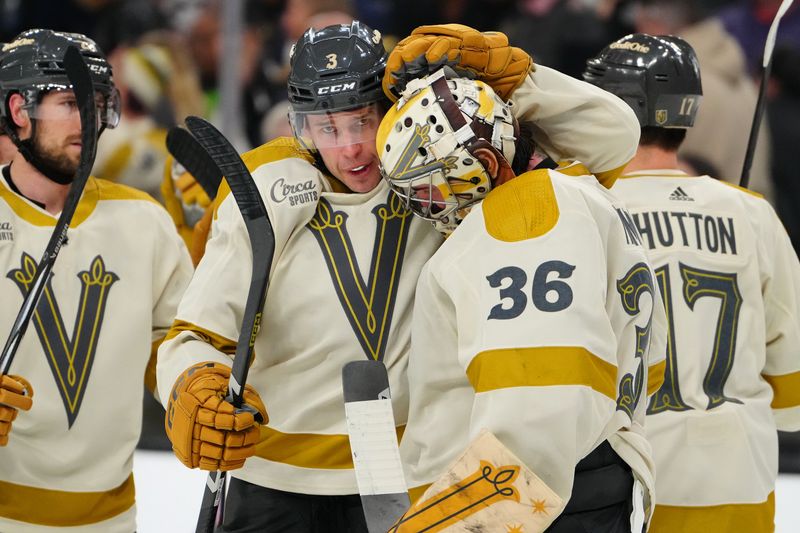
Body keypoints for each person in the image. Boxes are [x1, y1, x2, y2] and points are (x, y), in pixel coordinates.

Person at [157, 20, 653, 532]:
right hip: (273, 477)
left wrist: (515, 81)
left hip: (399, 478)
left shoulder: (437, 170)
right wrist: (191, 385)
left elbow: (612, 141)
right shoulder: (268, 186)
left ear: (394, 110)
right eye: (326, 128)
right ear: (299, 126)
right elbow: (195, 334)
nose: (349, 147)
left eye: (362, 121)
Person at [378, 72, 667, 530]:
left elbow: (538, 412)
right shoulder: (584, 192)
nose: (428, 207)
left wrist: (455, 524)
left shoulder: (525, 214)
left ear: (488, 163)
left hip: (542, 506)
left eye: (431, 187)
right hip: (595, 480)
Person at [584, 33, 800, 532]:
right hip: (739, 476)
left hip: (632, 485)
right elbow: (790, 389)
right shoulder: (752, 214)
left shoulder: (586, 210)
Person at [0, 29, 193, 531]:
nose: (89, 118)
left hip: (113, 518)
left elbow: (178, 344)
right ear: (19, 111)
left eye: (98, 102)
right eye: (69, 102)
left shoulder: (144, 221)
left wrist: (195, 384)